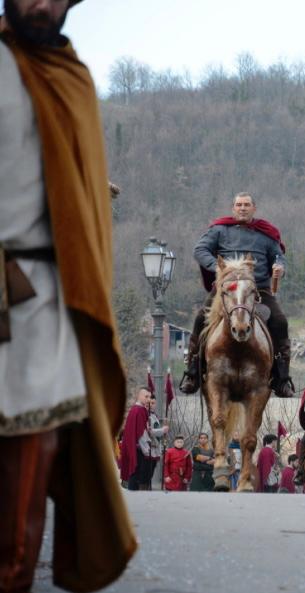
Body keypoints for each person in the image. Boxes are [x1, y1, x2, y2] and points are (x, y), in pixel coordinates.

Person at [0, 2, 136, 589]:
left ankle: (14, 575)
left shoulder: (71, 76)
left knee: (36, 448)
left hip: (47, 297)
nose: (42, 3)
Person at [179, 192, 294, 397]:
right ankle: (192, 373)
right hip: (226, 289)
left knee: (280, 322)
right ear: (233, 208)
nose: (242, 208)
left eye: (246, 205)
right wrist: (219, 269)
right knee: (199, 319)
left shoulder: (266, 234)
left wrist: (279, 267)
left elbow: (279, 256)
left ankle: (282, 378)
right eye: (239, 205)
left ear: (253, 208)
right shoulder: (219, 230)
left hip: (257, 289)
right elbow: (200, 250)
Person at [120, 388, 152, 491]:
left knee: (135, 474)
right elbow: (141, 433)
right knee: (136, 474)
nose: (148, 399)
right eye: (146, 396)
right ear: (139, 396)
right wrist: (147, 450)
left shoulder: (135, 409)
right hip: (138, 449)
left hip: (135, 447)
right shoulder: (139, 410)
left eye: (149, 397)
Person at [140, 394, 168, 490]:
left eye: (153, 403)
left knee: (150, 475)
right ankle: (142, 494)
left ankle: (147, 491)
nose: (151, 405)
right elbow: (148, 431)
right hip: (147, 449)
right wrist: (162, 430)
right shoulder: (144, 415)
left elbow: (156, 435)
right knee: (145, 476)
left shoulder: (154, 416)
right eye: (150, 403)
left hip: (155, 449)